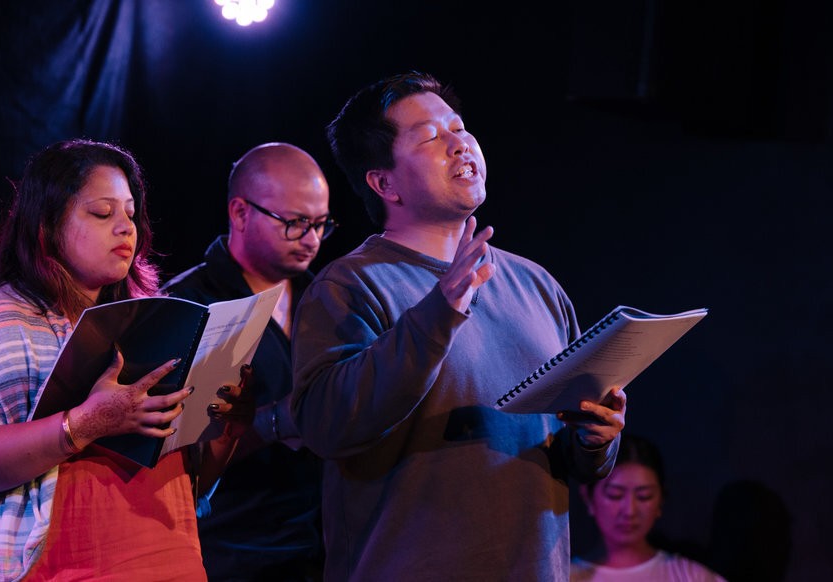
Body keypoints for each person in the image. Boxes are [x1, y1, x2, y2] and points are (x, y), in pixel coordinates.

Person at [289, 70, 628, 581]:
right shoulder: (350, 286)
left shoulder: (536, 284)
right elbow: (325, 425)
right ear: (385, 183)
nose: (458, 143)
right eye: (430, 136)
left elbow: (568, 452)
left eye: (459, 127)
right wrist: (437, 312)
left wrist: (597, 439)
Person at [0, 138, 254, 581]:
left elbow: (187, 476)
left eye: (130, 214)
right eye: (103, 213)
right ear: (47, 226)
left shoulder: (154, 322)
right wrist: (83, 424)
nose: (125, 227)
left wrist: (225, 426)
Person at [161, 142, 330, 581]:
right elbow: (167, 456)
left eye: (320, 224)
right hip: (231, 555)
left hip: (328, 551)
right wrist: (273, 422)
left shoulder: (329, 300)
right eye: (294, 223)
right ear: (240, 213)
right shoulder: (186, 305)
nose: (311, 240)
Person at [572, 433, 727, 581]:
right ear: (588, 497)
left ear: (660, 500)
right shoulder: (562, 575)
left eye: (644, 496)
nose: (629, 511)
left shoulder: (691, 576)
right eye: (615, 495)